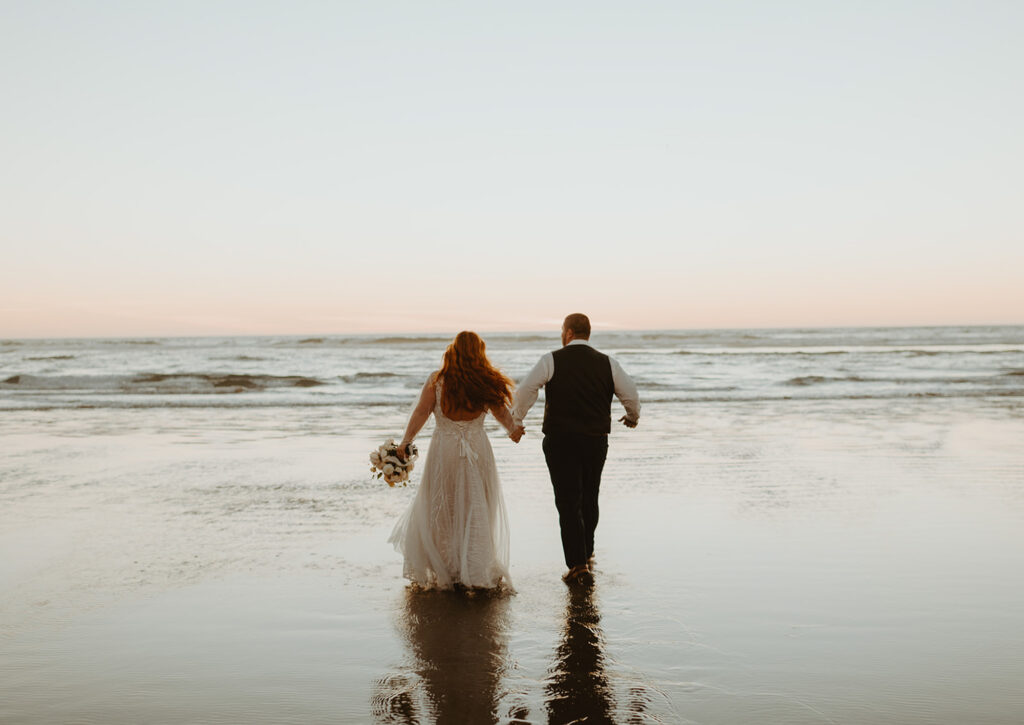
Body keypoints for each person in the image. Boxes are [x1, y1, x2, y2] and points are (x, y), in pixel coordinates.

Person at [389, 331, 525, 590]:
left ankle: (448, 568)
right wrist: (513, 431)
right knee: (477, 504)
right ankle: (474, 567)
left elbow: (421, 412)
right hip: (476, 449)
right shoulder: (486, 382)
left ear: (453, 350)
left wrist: (406, 440)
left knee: (443, 505)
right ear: (479, 353)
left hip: (445, 450)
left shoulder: (437, 381)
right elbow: (503, 414)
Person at [513, 313, 640, 583]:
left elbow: (526, 390)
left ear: (568, 332)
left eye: (562, 330)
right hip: (595, 439)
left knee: (568, 500)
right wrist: (632, 417)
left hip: (561, 440)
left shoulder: (551, 360)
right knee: (589, 495)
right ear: (588, 333)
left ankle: (578, 565)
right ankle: (587, 552)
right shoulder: (608, 363)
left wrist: (517, 420)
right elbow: (630, 392)